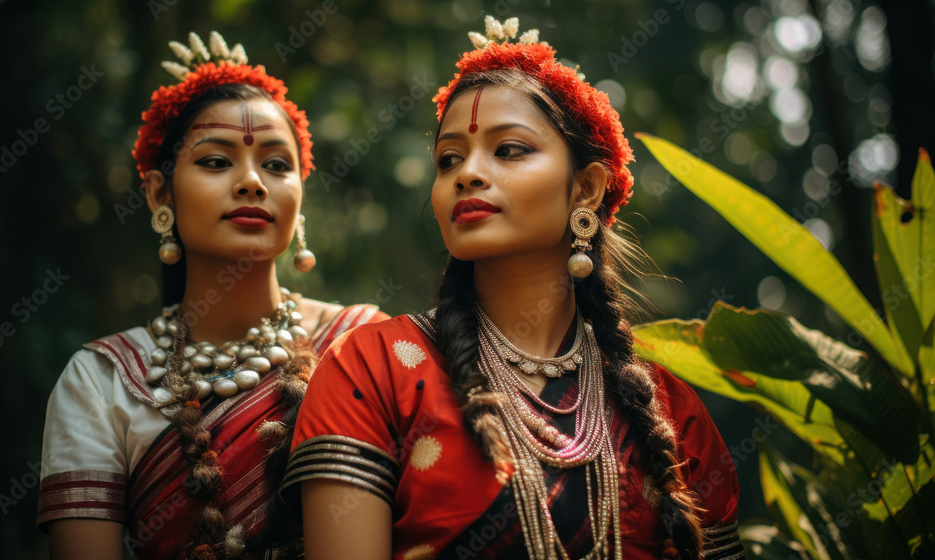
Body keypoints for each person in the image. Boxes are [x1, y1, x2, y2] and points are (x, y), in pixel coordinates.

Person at [282, 17, 743, 560]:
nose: (467, 174)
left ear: (587, 189)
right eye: (449, 158)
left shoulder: (670, 411)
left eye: (509, 150)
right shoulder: (371, 370)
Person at [36, 32, 388, 560]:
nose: (252, 182)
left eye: (276, 164)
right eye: (216, 162)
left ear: (301, 193)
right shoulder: (102, 382)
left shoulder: (364, 344)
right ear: (160, 193)